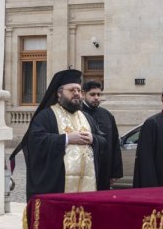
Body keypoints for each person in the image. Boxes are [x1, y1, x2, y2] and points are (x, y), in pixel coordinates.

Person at [11, 69, 98, 202]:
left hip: (87, 186)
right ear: (59, 93)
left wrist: (93, 139)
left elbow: (102, 140)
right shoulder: (46, 116)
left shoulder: (87, 118)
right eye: (72, 90)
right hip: (58, 186)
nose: (76, 94)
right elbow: (35, 141)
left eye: (79, 90)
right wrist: (67, 138)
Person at [81, 80, 123, 190]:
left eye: (99, 94)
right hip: (83, 169)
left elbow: (115, 143)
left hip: (105, 168)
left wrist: (115, 172)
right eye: (92, 94)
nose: (96, 97)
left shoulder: (107, 115)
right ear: (83, 94)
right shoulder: (77, 114)